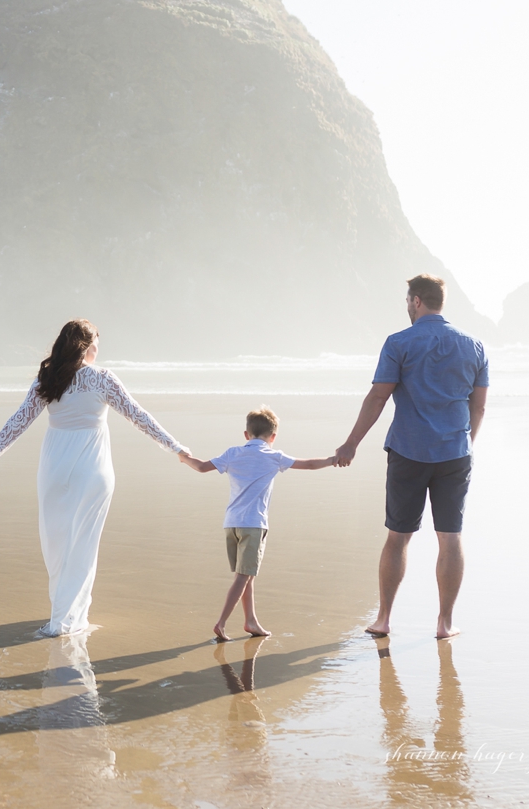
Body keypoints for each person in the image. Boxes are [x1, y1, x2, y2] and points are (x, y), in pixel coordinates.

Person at [0, 319, 188, 636]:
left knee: (57, 542)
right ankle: (68, 618)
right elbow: (139, 416)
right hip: (93, 469)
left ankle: (61, 614)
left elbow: (19, 421)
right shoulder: (102, 378)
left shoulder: (49, 378)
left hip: (54, 468)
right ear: (88, 347)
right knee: (83, 544)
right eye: (96, 347)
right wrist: (177, 449)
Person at [335, 274, 489, 639]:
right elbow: (478, 408)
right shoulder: (475, 346)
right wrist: (466, 443)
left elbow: (377, 398)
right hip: (455, 453)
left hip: (408, 451)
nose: (407, 307)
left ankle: (384, 619)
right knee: (450, 537)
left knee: (398, 537)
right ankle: (444, 623)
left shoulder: (399, 342)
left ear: (417, 300)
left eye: (408, 301)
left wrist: (351, 443)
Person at [179, 406, 337, 640]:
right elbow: (310, 465)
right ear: (273, 437)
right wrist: (335, 459)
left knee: (245, 575)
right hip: (253, 525)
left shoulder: (233, 453)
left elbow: (201, 467)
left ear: (246, 434)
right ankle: (221, 623)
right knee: (244, 576)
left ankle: (251, 621)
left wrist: (185, 458)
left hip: (231, 524)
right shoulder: (273, 456)